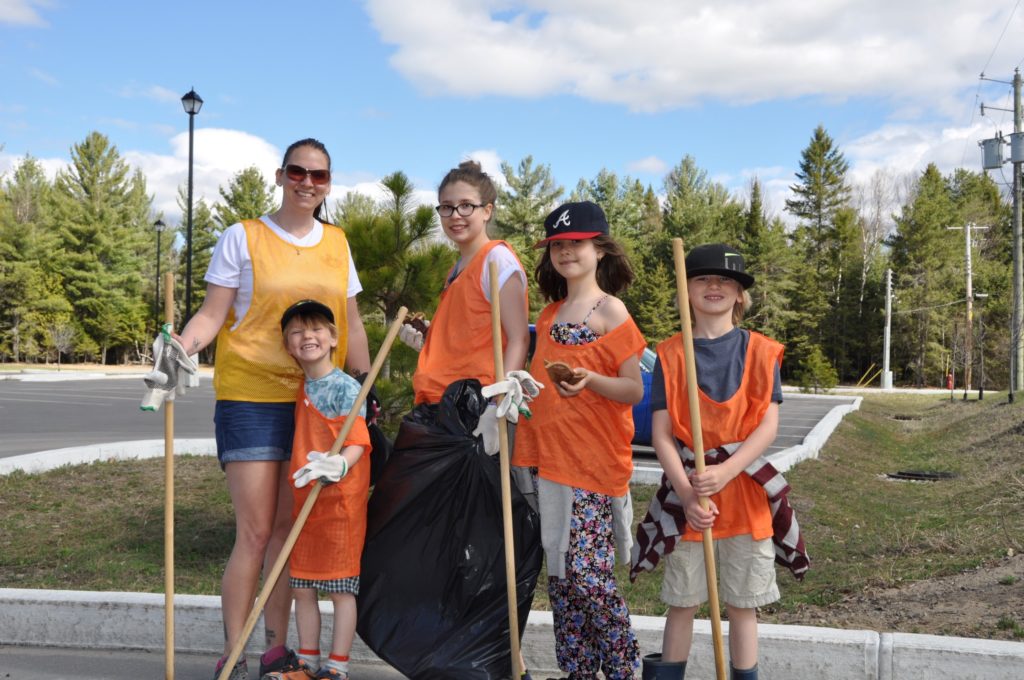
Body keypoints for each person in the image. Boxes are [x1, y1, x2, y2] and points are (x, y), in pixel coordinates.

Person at [173, 138, 371, 680]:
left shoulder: (338, 242)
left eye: (321, 176)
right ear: (281, 175)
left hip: (316, 401)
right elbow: (213, 315)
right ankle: (234, 652)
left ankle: (276, 653)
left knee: (289, 532)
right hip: (253, 396)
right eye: (298, 172)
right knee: (256, 531)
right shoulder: (244, 236)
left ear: (329, 183)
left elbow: (349, 323)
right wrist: (181, 350)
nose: (309, 182)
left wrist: (362, 385)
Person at [371, 159, 538, 679]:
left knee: (479, 546)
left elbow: (515, 339)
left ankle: (504, 663)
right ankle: (454, 658)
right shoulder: (457, 268)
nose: (455, 215)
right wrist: (428, 347)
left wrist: (497, 407)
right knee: (436, 544)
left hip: (472, 419)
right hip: (441, 415)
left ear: (488, 209)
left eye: (466, 206)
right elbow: (467, 336)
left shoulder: (498, 262)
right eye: (446, 207)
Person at [630, 244, 809, 680]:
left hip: (745, 499)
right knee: (683, 602)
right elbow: (661, 435)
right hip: (692, 500)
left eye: (726, 280)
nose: (715, 286)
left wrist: (725, 472)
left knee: (742, 606)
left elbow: (767, 427)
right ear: (684, 290)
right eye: (702, 279)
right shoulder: (670, 354)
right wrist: (689, 494)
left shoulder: (763, 352)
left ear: (740, 295)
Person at [512, 201, 645, 680]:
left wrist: (590, 380)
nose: (567, 252)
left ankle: (625, 668)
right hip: (550, 462)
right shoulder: (547, 316)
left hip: (592, 463)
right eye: (558, 246)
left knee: (592, 579)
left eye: (577, 244)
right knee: (563, 581)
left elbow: (633, 388)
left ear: (600, 248)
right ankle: (580, 671)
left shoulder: (610, 310)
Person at [272, 299, 371, 680]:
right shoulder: (304, 387)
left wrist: (340, 463)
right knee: (302, 587)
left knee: (341, 589)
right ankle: (309, 662)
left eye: (316, 329)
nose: (306, 336)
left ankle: (337, 666)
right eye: (297, 332)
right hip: (306, 504)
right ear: (288, 346)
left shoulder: (345, 387)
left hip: (339, 502)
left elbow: (358, 441)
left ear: (333, 338)